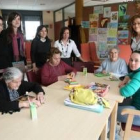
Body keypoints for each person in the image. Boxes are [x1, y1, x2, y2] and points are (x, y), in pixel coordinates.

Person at [117, 51, 140, 126]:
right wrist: (127, 78)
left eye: (136, 60)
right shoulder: (136, 72)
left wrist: (123, 86)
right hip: (135, 104)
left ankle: (113, 136)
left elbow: (126, 92)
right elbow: (131, 74)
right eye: (131, 60)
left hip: (137, 112)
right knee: (114, 104)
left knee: (109, 112)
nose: (132, 63)